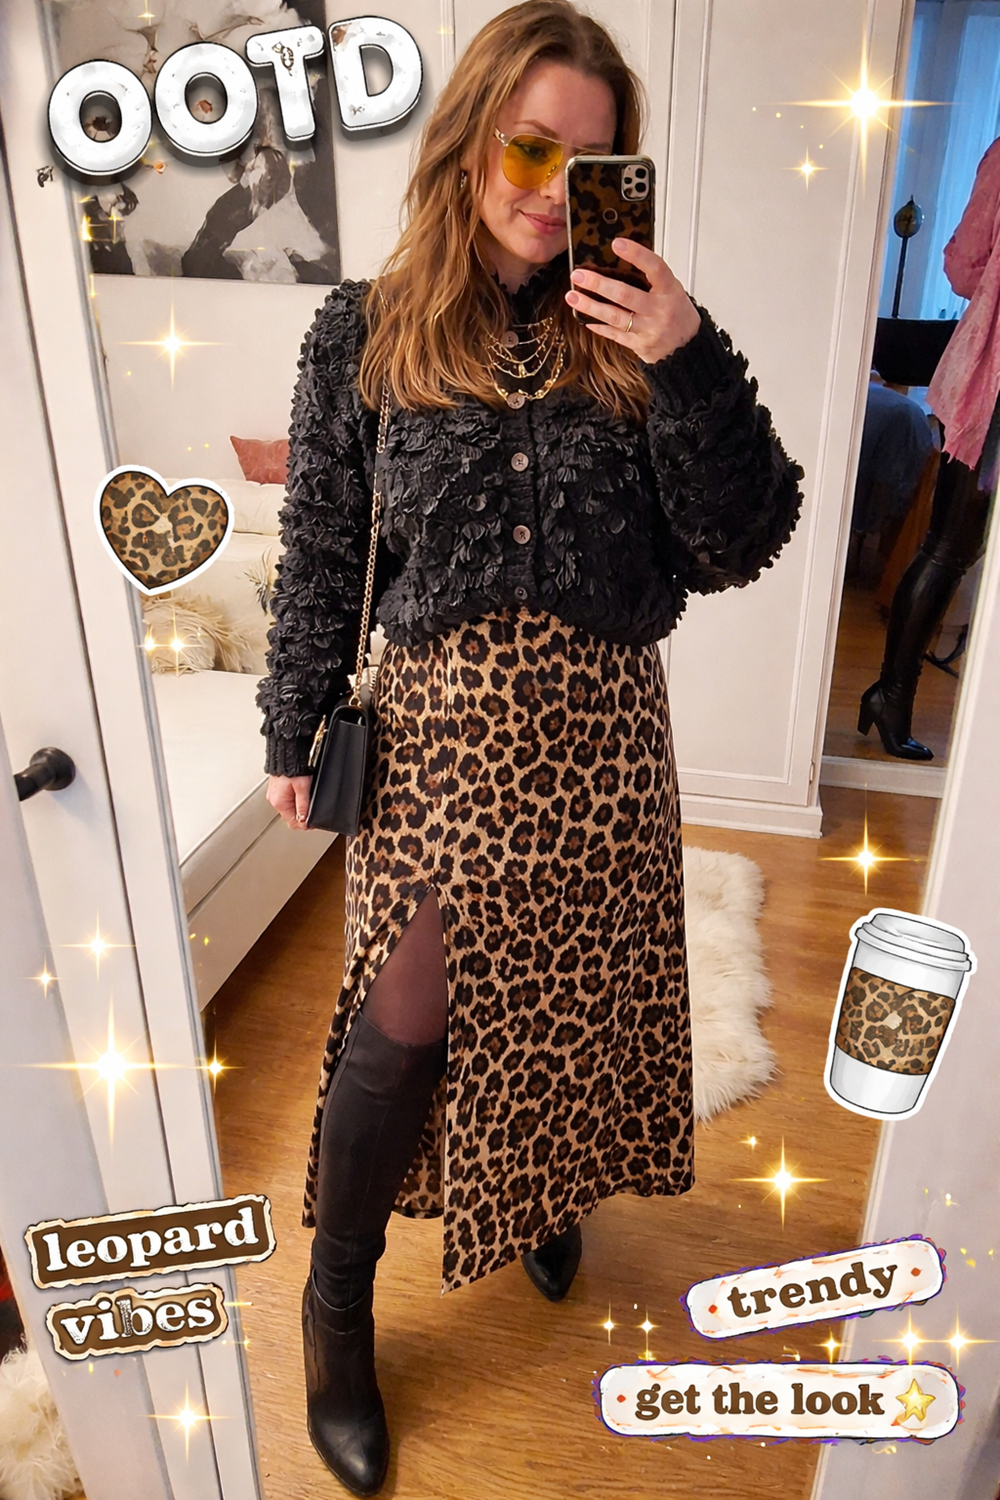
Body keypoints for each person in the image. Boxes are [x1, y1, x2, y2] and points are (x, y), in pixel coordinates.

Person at [258, 3, 803, 1493]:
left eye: (593, 159)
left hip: (604, 741)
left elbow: (741, 538)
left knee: (575, 991)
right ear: (469, 141)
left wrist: (686, 356)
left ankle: (543, 1193)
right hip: (440, 742)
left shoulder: (639, 333)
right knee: (404, 1021)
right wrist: (294, 717)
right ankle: (335, 1306)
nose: (556, 188)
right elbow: (324, 551)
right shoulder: (363, 330)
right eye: (529, 148)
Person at [859, 134, 1000, 759]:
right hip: (991, 386)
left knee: (950, 548)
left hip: (991, 379)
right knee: (950, 548)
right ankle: (892, 696)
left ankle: (892, 697)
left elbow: (963, 266)